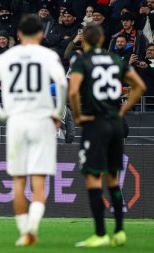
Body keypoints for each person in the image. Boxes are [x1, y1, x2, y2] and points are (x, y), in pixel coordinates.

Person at [0, 14, 68, 246]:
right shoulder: (48, 55)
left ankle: (23, 231)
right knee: (39, 182)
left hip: (16, 121)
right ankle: (32, 230)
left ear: (18, 35)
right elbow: (63, 83)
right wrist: (58, 113)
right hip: (42, 121)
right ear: (40, 34)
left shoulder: (8, 56)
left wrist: (2, 113)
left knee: (18, 182)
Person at [69, 24, 146, 247]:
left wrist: (78, 116)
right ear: (102, 40)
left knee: (93, 177)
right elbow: (139, 86)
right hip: (116, 124)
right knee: (112, 178)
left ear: (84, 41)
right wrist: (122, 109)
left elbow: (73, 91)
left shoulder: (82, 61)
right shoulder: (115, 60)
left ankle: (100, 234)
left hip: (95, 124)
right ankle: (120, 231)